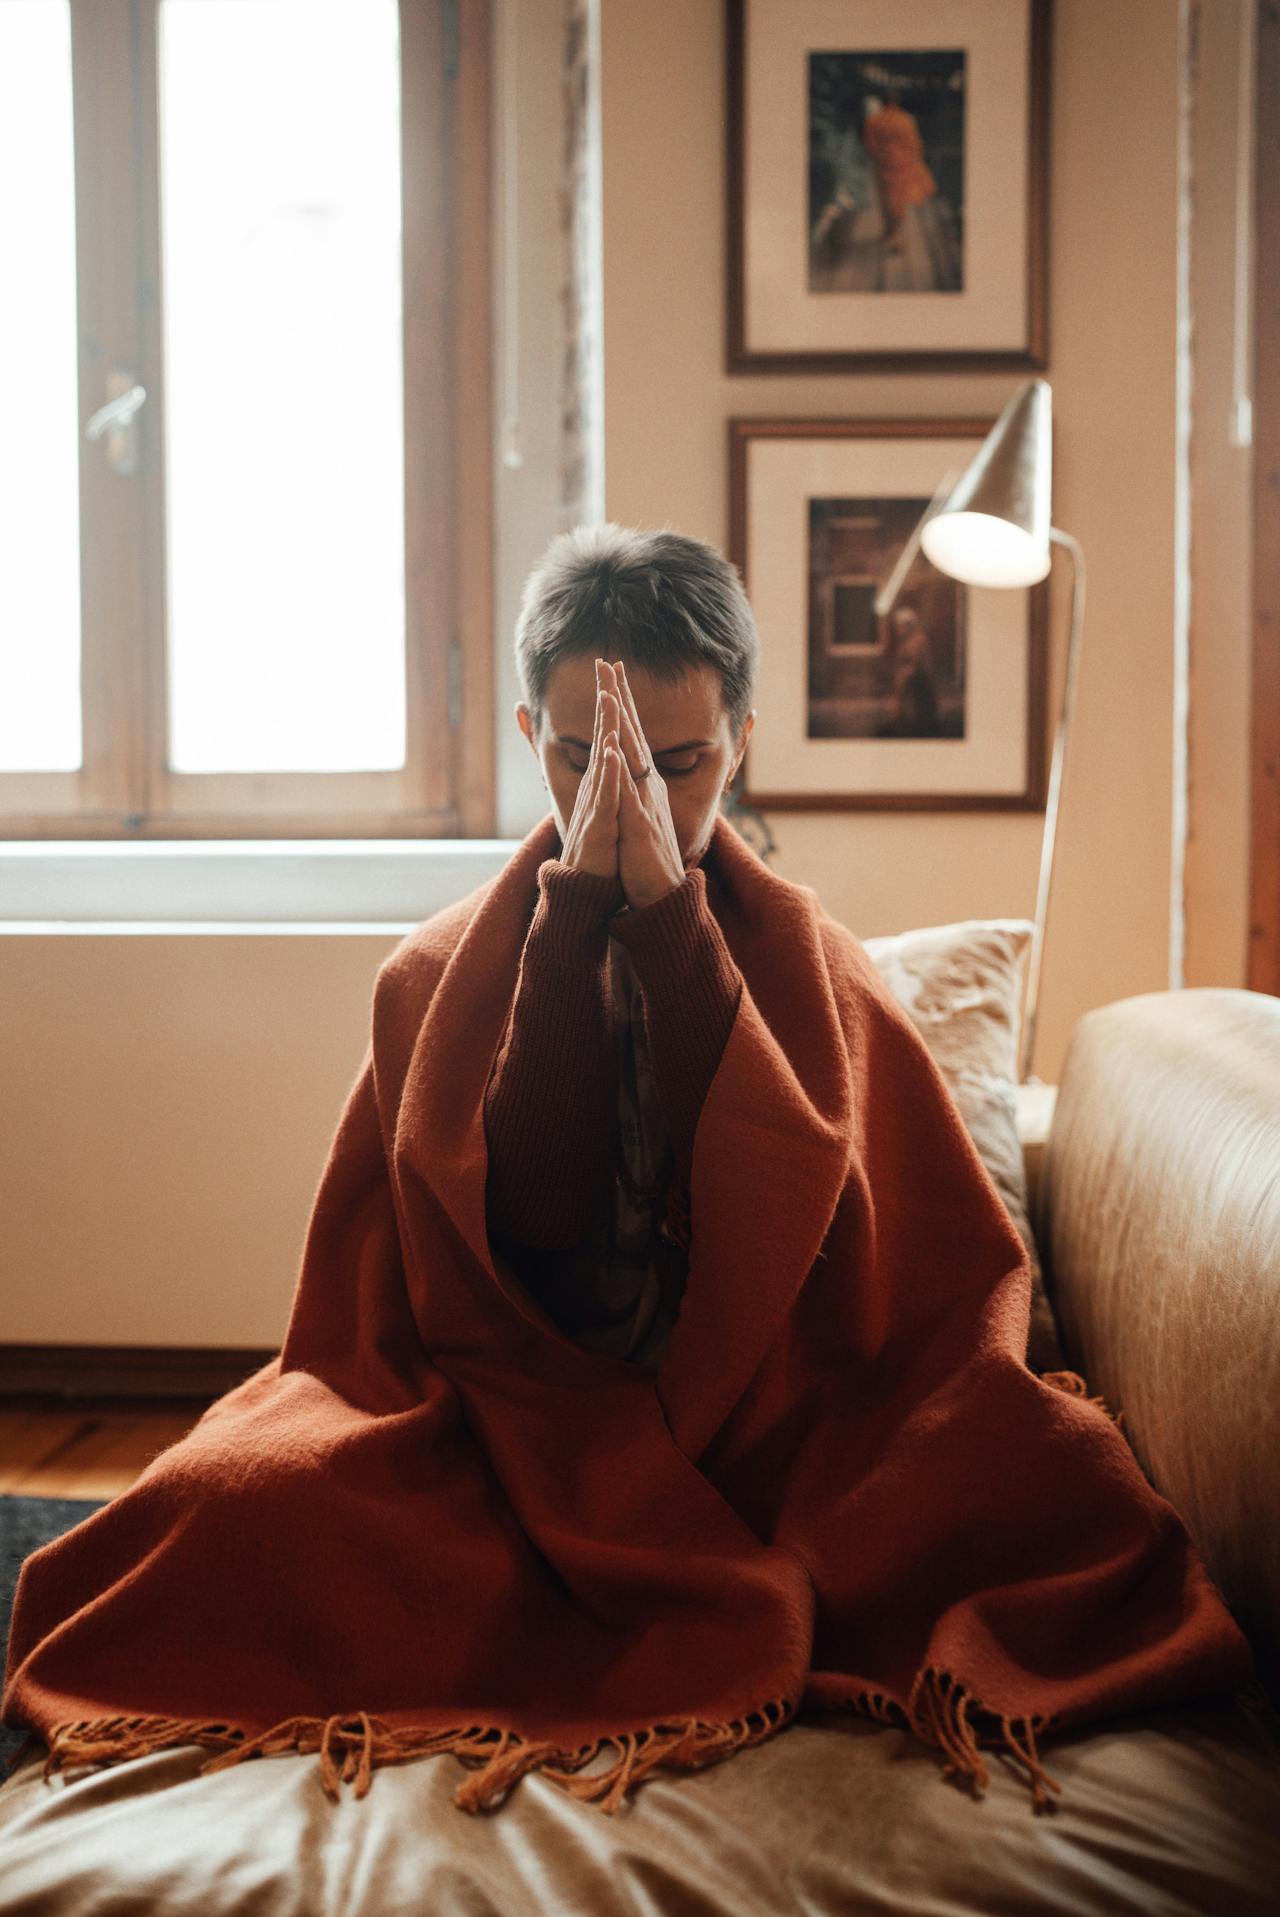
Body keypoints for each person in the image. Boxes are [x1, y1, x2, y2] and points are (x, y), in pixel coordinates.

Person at [489, 523, 757, 1367]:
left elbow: (768, 1226)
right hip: (522, 1374)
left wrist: (671, 915)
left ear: (740, 743)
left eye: (676, 766)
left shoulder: (812, 961)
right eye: (585, 760)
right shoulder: (437, 972)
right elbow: (532, 1225)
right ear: (533, 738)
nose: (630, 800)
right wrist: (574, 915)